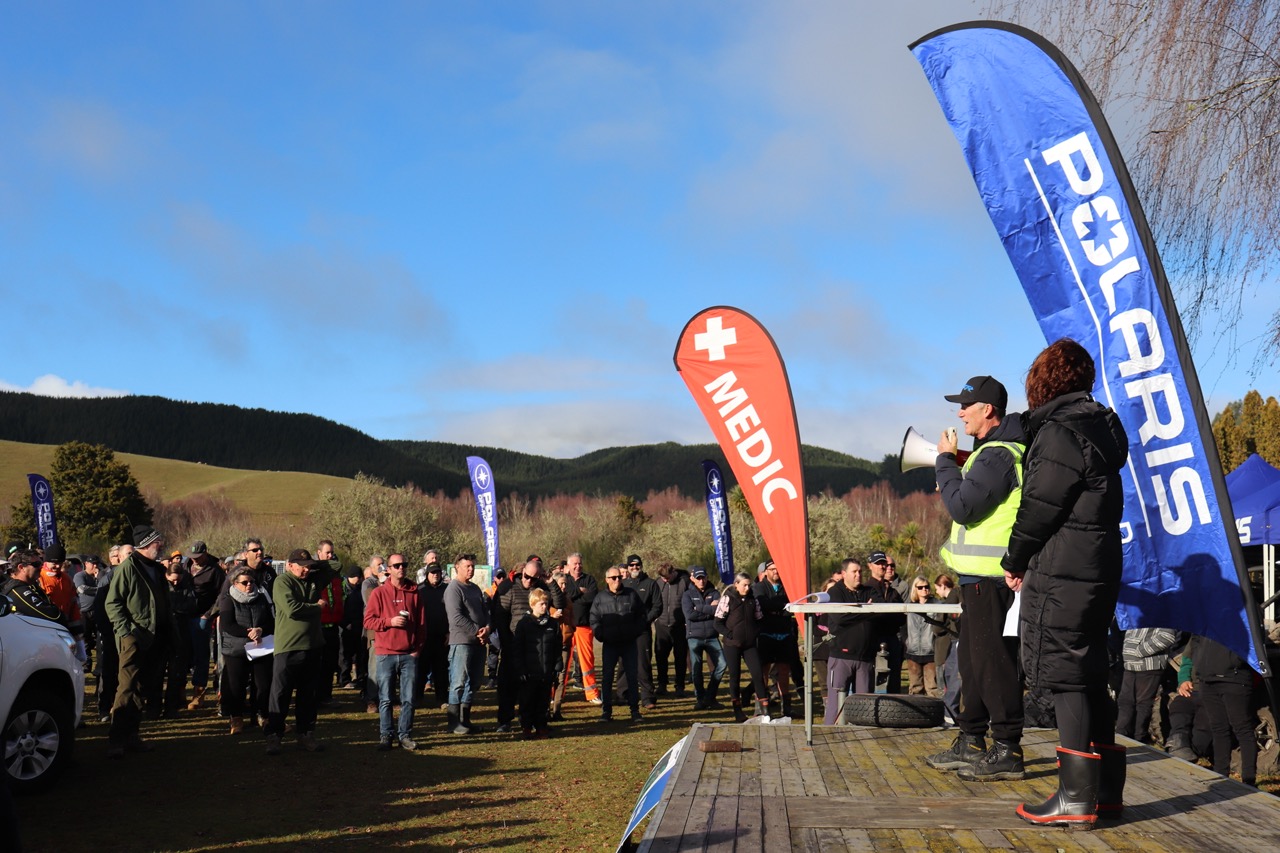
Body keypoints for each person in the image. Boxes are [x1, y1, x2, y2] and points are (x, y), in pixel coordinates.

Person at [999, 339, 1130, 827]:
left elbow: (1039, 507)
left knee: (1066, 672)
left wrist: (1015, 558)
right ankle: (1105, 794)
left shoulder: (1058, 433)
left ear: (1042, 380)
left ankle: (1075, 799)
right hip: (1096, 567)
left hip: (1064, 569)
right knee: (1090, 669)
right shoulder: (1095, 428)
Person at [926, 374, 1028, 781]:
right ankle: (971, 740)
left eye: (966, 405)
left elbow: (963, 508)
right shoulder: (990, 453)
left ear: (988, 410)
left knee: (992, 665)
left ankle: (1007, 748)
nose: (959, 412)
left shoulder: (998, 454)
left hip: (991, 579)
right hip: (977, 579)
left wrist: (945, 463)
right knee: (971, 663)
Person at [103, 525, 174, 758]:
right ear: (145, 544)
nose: (161, 545)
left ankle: (132, 737)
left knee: (141, 688)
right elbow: (113, 604)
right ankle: (116, 740)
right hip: (134, 638)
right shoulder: (128, 569)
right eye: (157, 542)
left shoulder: (155, 568)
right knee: (126, 687)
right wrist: (127, 632)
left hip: (155, 637)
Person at [265, 548, 329, 755]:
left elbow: (335, 566)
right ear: (289, 565)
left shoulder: (313, 580)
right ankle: (274, 735)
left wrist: (318, 564)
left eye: (309, 567)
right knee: (281, 693)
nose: (306, 571)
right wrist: (316, 607)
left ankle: (306, 733)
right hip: (288, 646)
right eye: (302, 567)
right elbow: (292, 609)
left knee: (308, 694)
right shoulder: (282, 582)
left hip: (313, 645)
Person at [364, 552, 427, 751]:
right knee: (385, 698)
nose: (401, 568)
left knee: (408, 698)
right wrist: (389, 622)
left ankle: (405, 735)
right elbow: (368, 621)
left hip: (409, 654)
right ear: (388, 569)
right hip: (385, 653)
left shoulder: (414, 592)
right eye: (397, 565)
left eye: (404, 565)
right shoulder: (379, 593)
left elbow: (422, 624)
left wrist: (417, 649)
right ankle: (386, 735)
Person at [1179, 635, 1258, 787]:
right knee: (1218, 729)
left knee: (1242, 728)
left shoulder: (1241, 614)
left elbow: (1252, 639)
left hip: (1234, 679)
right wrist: (1200, 664)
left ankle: (1249, 779)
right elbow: (1195, 641)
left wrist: (1234, 661)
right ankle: (1221, 774)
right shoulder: (1207, 616)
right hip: (1207, 680)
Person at [823, 558, 889, 724]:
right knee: (835, 704)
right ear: (844, 574)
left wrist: (856, 611)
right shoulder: (835, 592)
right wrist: (866, 611)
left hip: (865, 658)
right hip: (841, 656)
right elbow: (840, 618)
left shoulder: (869, 590)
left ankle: (862, 740)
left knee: (865, 704)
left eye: (860, 571)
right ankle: (829, 736)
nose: (858, 575)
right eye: (854, 572)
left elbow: (882, 610)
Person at [589, 564, 648, 724]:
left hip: (629, 643)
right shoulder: (600, 598)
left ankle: (634, 711)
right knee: (607, 678)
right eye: (613, 578)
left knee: (631, 676)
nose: (617, 580)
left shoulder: (631, 595)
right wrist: (601, 635)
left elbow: (641, 615)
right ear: (607, 579)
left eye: (619, 577)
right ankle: (606, 711)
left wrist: (635, 631)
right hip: (610, 644)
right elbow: (594, 619)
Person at [219, 567, 275, 734]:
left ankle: (262, 715)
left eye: (251, 582)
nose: (249, 585)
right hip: (236, 648)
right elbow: (227, 625)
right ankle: (236, 718)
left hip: (260, 646)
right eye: (244, 582)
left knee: (263, 684)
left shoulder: (261, 599)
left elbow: (271, 621)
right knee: (237, 685)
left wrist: (260, 630)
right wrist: (249, 633)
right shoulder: (228, 600)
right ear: (235, 584)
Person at [715, 571, 771, 722]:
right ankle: (737, 710)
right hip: (732, 644)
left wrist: (755, 633)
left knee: (758, 674)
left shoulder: (753, 599)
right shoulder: (728, 599)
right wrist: (729, 634)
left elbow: (759, 619)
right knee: (735, 676)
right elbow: (717, 622)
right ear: (736, 585)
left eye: (749, 585)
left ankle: (764, 709)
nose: (747, 588)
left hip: (750, 644)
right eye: (744, 585)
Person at [443, 554, 490, 735]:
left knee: (474, 681)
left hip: (478, 642)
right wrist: (477, 631)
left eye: (472, 566)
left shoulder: (476, 589)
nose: (470, 569)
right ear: (457, 567)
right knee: (458, 682)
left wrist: (487, 628)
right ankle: (453, 722)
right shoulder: (454, 589)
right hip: (462, 641)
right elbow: (456, 617)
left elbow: (486, 612)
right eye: (467, 566)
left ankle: (465, 720)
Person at [1116, 627, 1182, 744]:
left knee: (1143, 703)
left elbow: (1167, 636)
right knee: (1125, 701)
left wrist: (1139, 651)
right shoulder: (1138, 613)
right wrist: (1128, 652)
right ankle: (1122, 735)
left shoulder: (1159, 612)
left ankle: (1138, 738)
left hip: (1149, 666)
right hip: (1130, 664)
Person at [512, 587, 562, 737]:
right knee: (527, 701)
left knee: (543, 702)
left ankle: (542, 726)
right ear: (532, 604)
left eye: (546, 603)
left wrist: (558, 665)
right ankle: (527, 727)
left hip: (546, 670)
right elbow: (518, 649)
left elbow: (557, 647)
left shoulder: (553, 625)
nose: (544, 607)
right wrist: (520, 669)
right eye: (541, 604)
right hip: (529, 671)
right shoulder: (524, 624)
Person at [752, 559, 799, 716]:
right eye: (772, 569)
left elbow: (793, 604)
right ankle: (761, 706)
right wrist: (782, 606)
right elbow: (764, 604)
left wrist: (778, 607)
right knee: (763, 670)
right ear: (766, 571)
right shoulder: (759, 587)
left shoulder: (787, 586)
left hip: (784, 632)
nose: (776, 572)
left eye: (778, 569)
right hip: (765, 632)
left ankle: (786, 707)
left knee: (784, 670)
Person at [186, 541, 223, 710]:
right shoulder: (186, 565)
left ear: (206, 554)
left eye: (198, 557)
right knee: (183, 654)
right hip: (183, 615)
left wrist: (208, 615)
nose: (195, 560)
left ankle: (198, 694)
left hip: (202, 617)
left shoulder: (215, 571)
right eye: (192, 557)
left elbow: (221, 596)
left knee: (201, 656)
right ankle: (179, 692)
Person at [620, 555, 662, 709]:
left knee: (643, 664)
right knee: (623, 663)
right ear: (627, 567)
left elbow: (657, 606)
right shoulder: (623, 584)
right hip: (625, 630)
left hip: (642, 630)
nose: (634, 568)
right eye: (631, 565)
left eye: (637, 565)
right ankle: (622, 695)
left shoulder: (650, 584)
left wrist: (646, 621)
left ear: (641, 566)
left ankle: (647, 697)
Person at [682, 567, 726, 711]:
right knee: (696, 669)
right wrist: (708, 609)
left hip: (712, 636)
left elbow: (718, 611)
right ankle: (700, 699)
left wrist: (699, 608)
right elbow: (690, 615)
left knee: (722, 664)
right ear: (693, 579)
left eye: (703, 578)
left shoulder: (714, 593)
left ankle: (709, 697)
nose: (701, 581)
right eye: (698, 578)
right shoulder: (687, 595)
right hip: (694, 637)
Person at [563, 553, 602, 705]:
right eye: (575, 564)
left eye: (580, 563)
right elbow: (564, 595)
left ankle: (592, 693)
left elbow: (592, 597)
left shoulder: (590, 579)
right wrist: (580, 591)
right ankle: (556, 694)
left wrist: (574, 595)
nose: (578, 566)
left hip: (584, 626)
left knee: (587, 661)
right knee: (562, 661)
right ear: (568, 565)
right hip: (566, 626)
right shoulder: (564, 579)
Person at [865, 553, 904, 696]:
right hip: (873, 639)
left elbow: (901, 617)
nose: (883, 566)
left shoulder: (893, 591)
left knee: (894, 679)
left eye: (884, 563)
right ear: (870, 566)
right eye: (878, 563)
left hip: (892, 638)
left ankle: (894, 712)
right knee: (874, 679)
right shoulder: (866, 589)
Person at [654, 563, 690, 698]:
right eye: (663, 579)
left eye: (668, 578)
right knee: (660, 657)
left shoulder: (684, 581)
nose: (666, 581)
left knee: (680, 657)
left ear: (673, 572)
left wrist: (687, 620)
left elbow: (689, 601)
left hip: (680, 625)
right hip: (662, 624)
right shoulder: (657, 583)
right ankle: (662, 685)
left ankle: (679, 686)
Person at [418, 559, 450, 709]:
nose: (435, 575)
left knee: (441, 670)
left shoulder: (448, 589)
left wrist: (450, 632)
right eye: (432, 573)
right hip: (423, 637)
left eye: (437, 572)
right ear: (427, 574)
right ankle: (417, 698)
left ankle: (442, 699)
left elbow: (452, 612)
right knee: (421, 669)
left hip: (442, 636)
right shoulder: (419, 590)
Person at [904, 576, 942, 697]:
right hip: (913, 652)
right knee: (915, 688)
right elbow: (904, 627)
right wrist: (907, 642)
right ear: (915, 589)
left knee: (932, 688)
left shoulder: (937, 604)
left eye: (926, 587)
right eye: (920, 587)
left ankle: (934, 714)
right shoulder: (909, 606)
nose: (924, 589)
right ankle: (915, 715)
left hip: (931, 652)